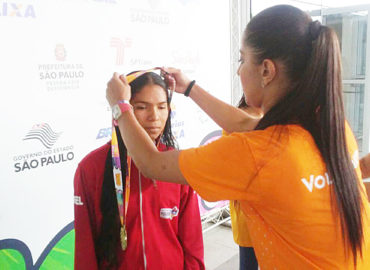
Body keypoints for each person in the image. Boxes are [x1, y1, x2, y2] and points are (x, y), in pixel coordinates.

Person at [106, 5, 370, 269]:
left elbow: (152, 163)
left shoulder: (259, 154)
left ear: (267, 70)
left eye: (242, 60)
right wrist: (190, 88)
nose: (238, 71)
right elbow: (245, 123)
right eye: (142, 107)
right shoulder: (333, 129)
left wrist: (121, 105)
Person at [74, 71, 205, 270]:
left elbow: (192, 244)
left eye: (162, 107)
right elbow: (85, 248)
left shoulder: (175, 164)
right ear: (122, 110)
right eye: (142, 107)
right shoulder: (91, 168)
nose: (155, 117)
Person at [226, 96, 261, 270]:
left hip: (272, 213)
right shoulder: (237, 120)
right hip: (249, 210)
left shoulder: (277, 116)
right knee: (249, 262)